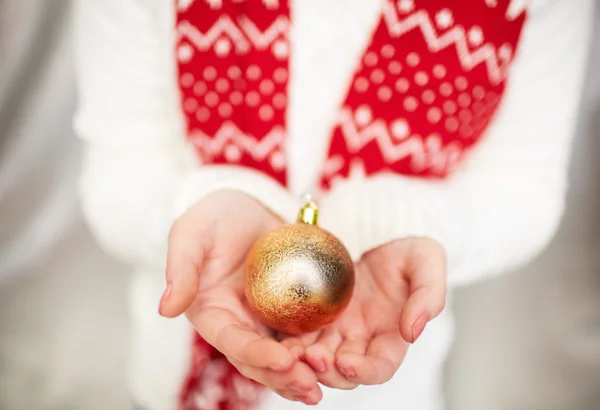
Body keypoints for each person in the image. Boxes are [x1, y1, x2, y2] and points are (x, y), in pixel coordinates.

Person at [72, 0, 593, 409]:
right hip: (174, 383)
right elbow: (118, 178)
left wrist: (402, 225)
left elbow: (524, 194)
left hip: (390, 394)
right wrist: (207, 206)